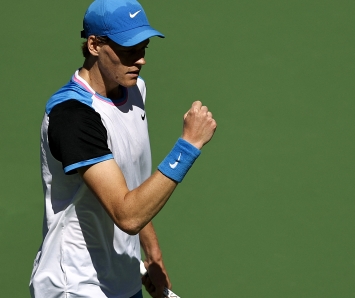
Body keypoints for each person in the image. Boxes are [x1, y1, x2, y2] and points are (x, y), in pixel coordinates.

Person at [29, 0, 217, 297]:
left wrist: (152, 253)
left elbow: (133, 180)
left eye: (143, 48)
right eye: (128, 50)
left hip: (123, 280)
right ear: (93, 45)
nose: (140, 60)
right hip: (77, 285)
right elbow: (127, 214)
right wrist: (189, 145)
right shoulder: (72, 116)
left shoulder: (135, 91)